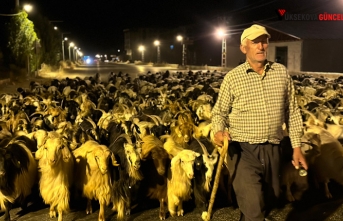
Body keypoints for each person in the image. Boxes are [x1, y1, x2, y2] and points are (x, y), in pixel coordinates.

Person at [211, 24, 308, 221]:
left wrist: (297, 147)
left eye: (264, 41)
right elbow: (219, 113)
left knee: (266, 201)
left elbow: (292, 111)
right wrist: (218, 132)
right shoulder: (233, 78)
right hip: (241, 149)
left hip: (273, 147)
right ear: (244, 47)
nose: (261, 46)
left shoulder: (281, 73)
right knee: (254, 205)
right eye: (255, 42)